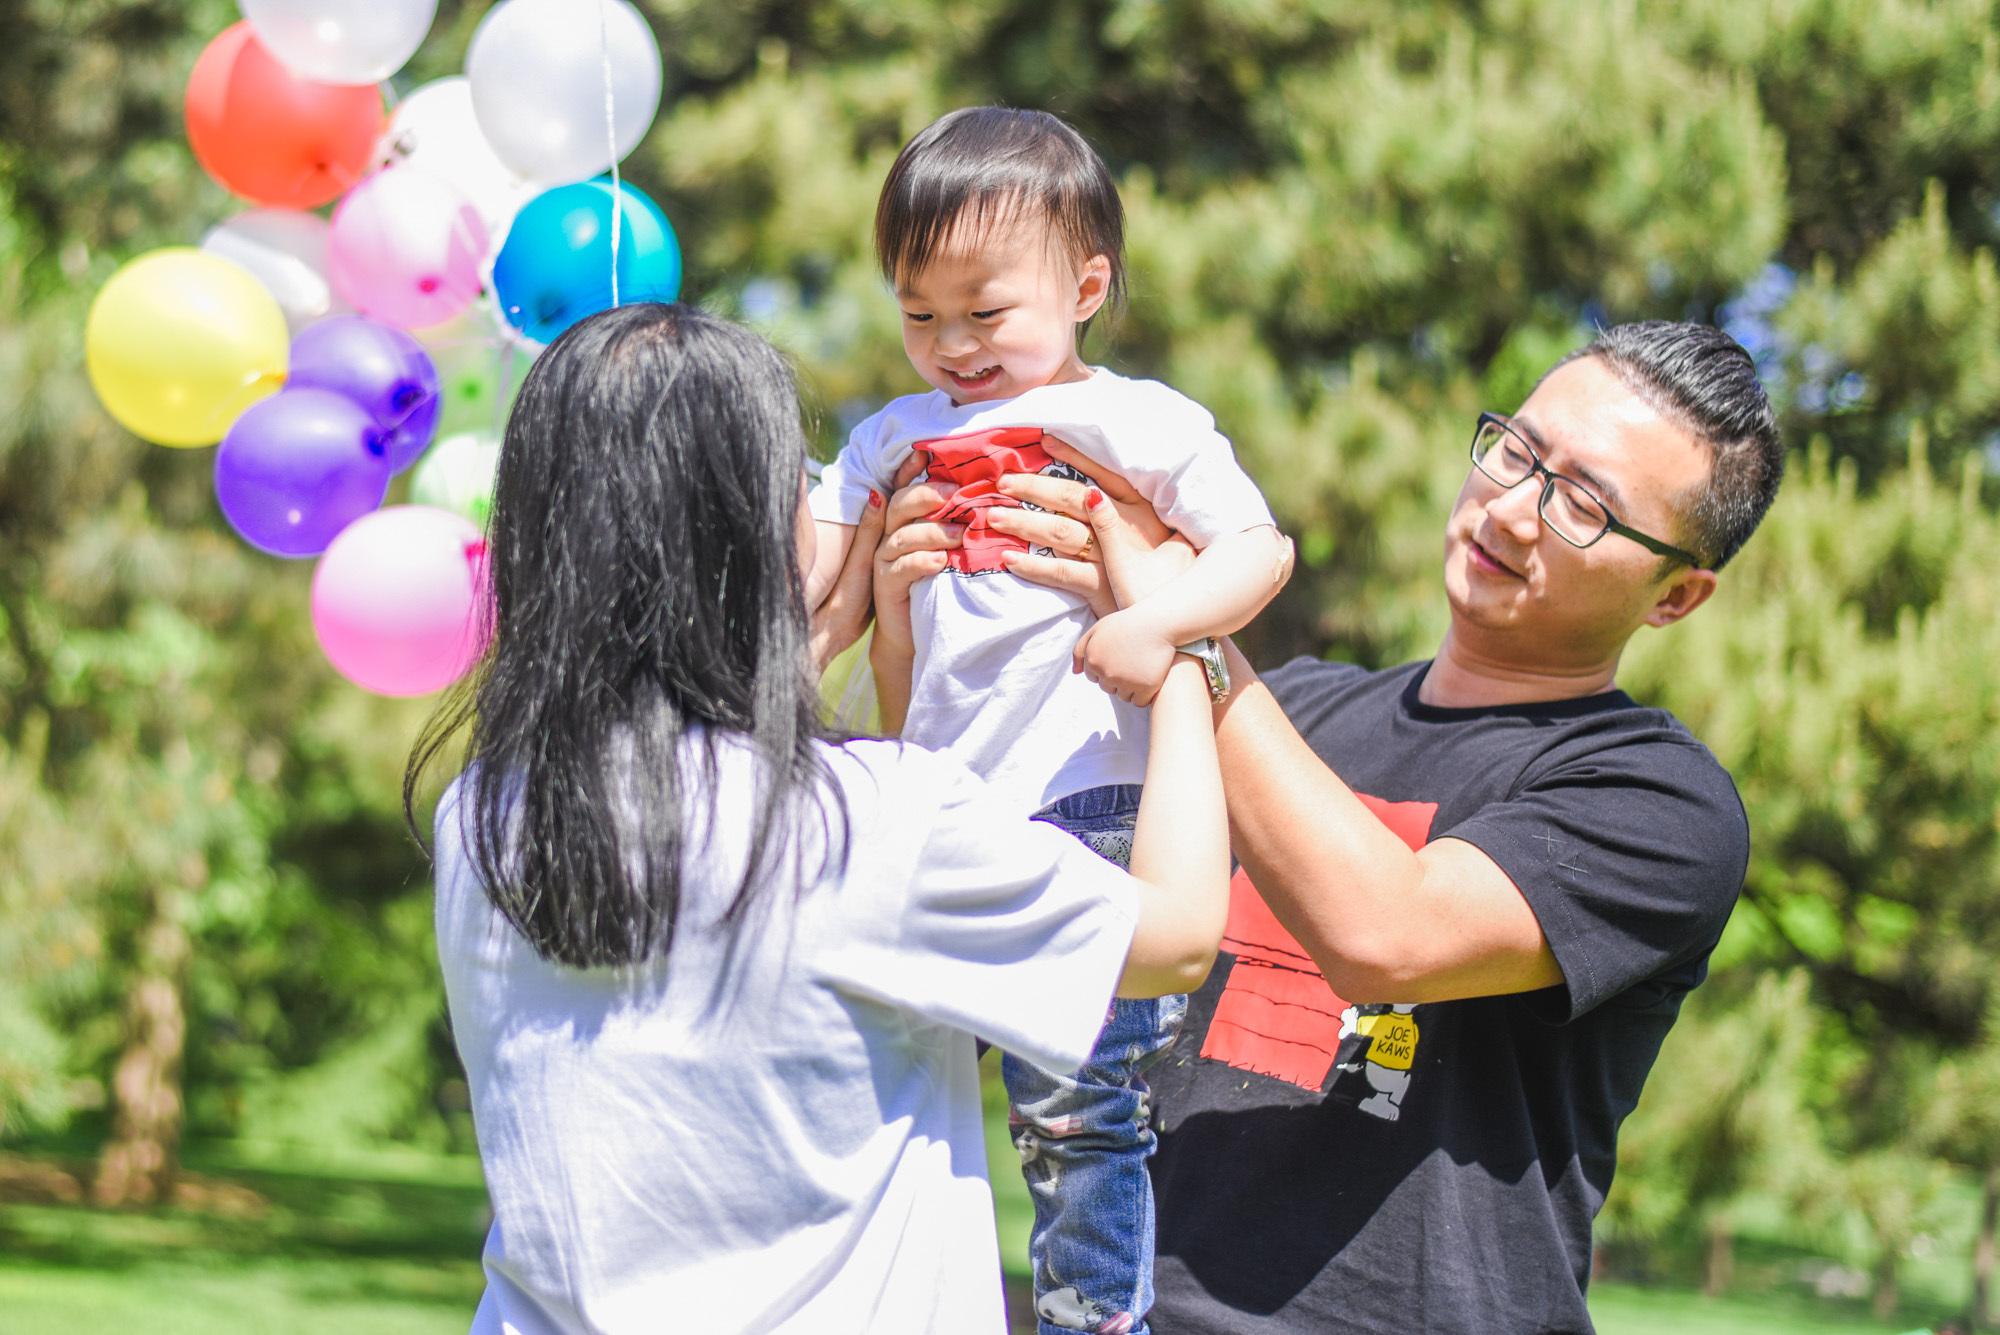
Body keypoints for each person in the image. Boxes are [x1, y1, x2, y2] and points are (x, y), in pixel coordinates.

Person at [868, 320, 1783, 1332]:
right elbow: (1009, 931)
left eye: (1581, 506)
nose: (1512, 511)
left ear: (1674, 596)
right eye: (1516, 452)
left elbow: (1382, 938)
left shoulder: (1655, 798)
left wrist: (1184, 630)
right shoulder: (1287, 709)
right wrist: (908, 657)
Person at [404, 302, 1233, 1334]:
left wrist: (853, 644)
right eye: (795, 478)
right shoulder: (868, 826)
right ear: (747, 530)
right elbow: (1177, 935)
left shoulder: (484, 815)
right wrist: (1182, 640)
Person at [803, 106, 1291, 1335]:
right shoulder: (889, 435)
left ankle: (1093, 1320)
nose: (951, 345)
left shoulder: (1135, 421)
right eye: (918, 313)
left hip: (1088, 799)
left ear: (1083, 287)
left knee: (1081, 1109)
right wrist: (815, 598)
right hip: (941, 796)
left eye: (985, 310)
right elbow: (820, 550)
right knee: (883, 1069)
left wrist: (1158, 624)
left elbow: (1257, 548)